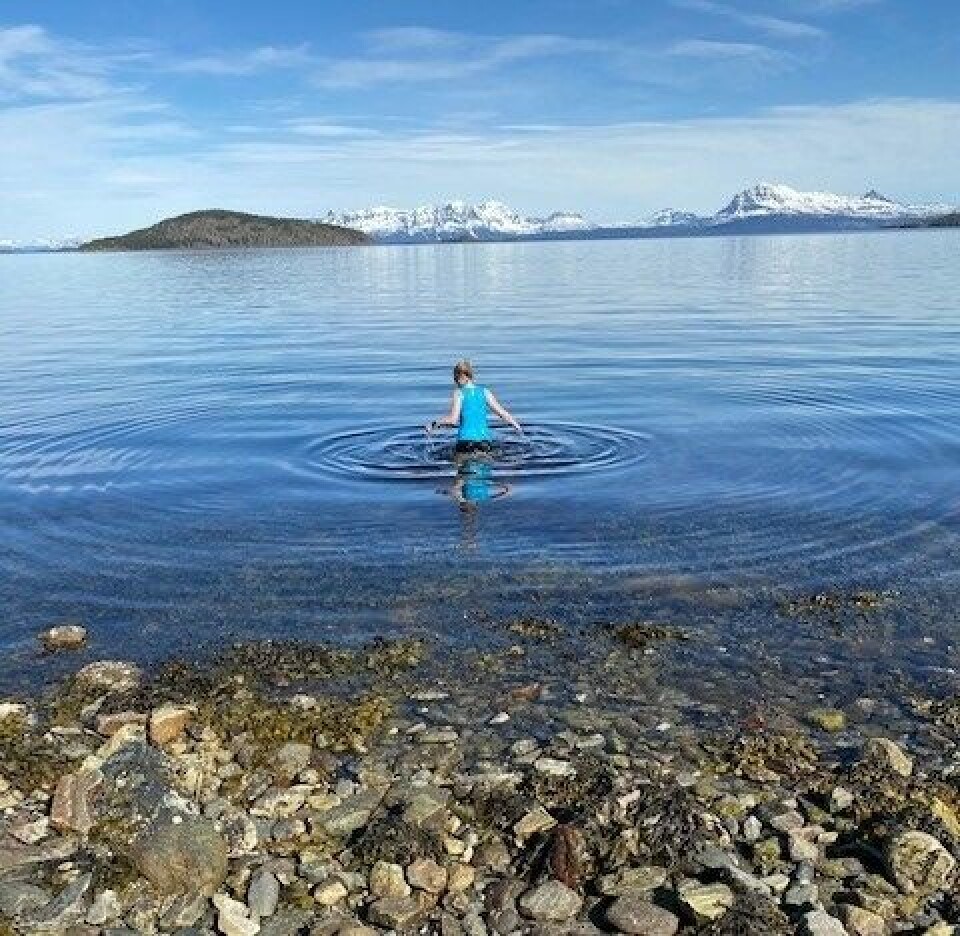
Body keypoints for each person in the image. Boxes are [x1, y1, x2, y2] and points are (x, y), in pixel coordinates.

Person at [425, 359, 522, 453]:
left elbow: (453, 420)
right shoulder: (485, 392)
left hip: (465, 443)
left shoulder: (459, 393)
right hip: (485, 443)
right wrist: (517, 426)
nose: (455, 382)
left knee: (462, 466)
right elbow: (503, 414)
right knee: (484, 467)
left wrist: (434, 424)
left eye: (456, 378)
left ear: (463, 376)